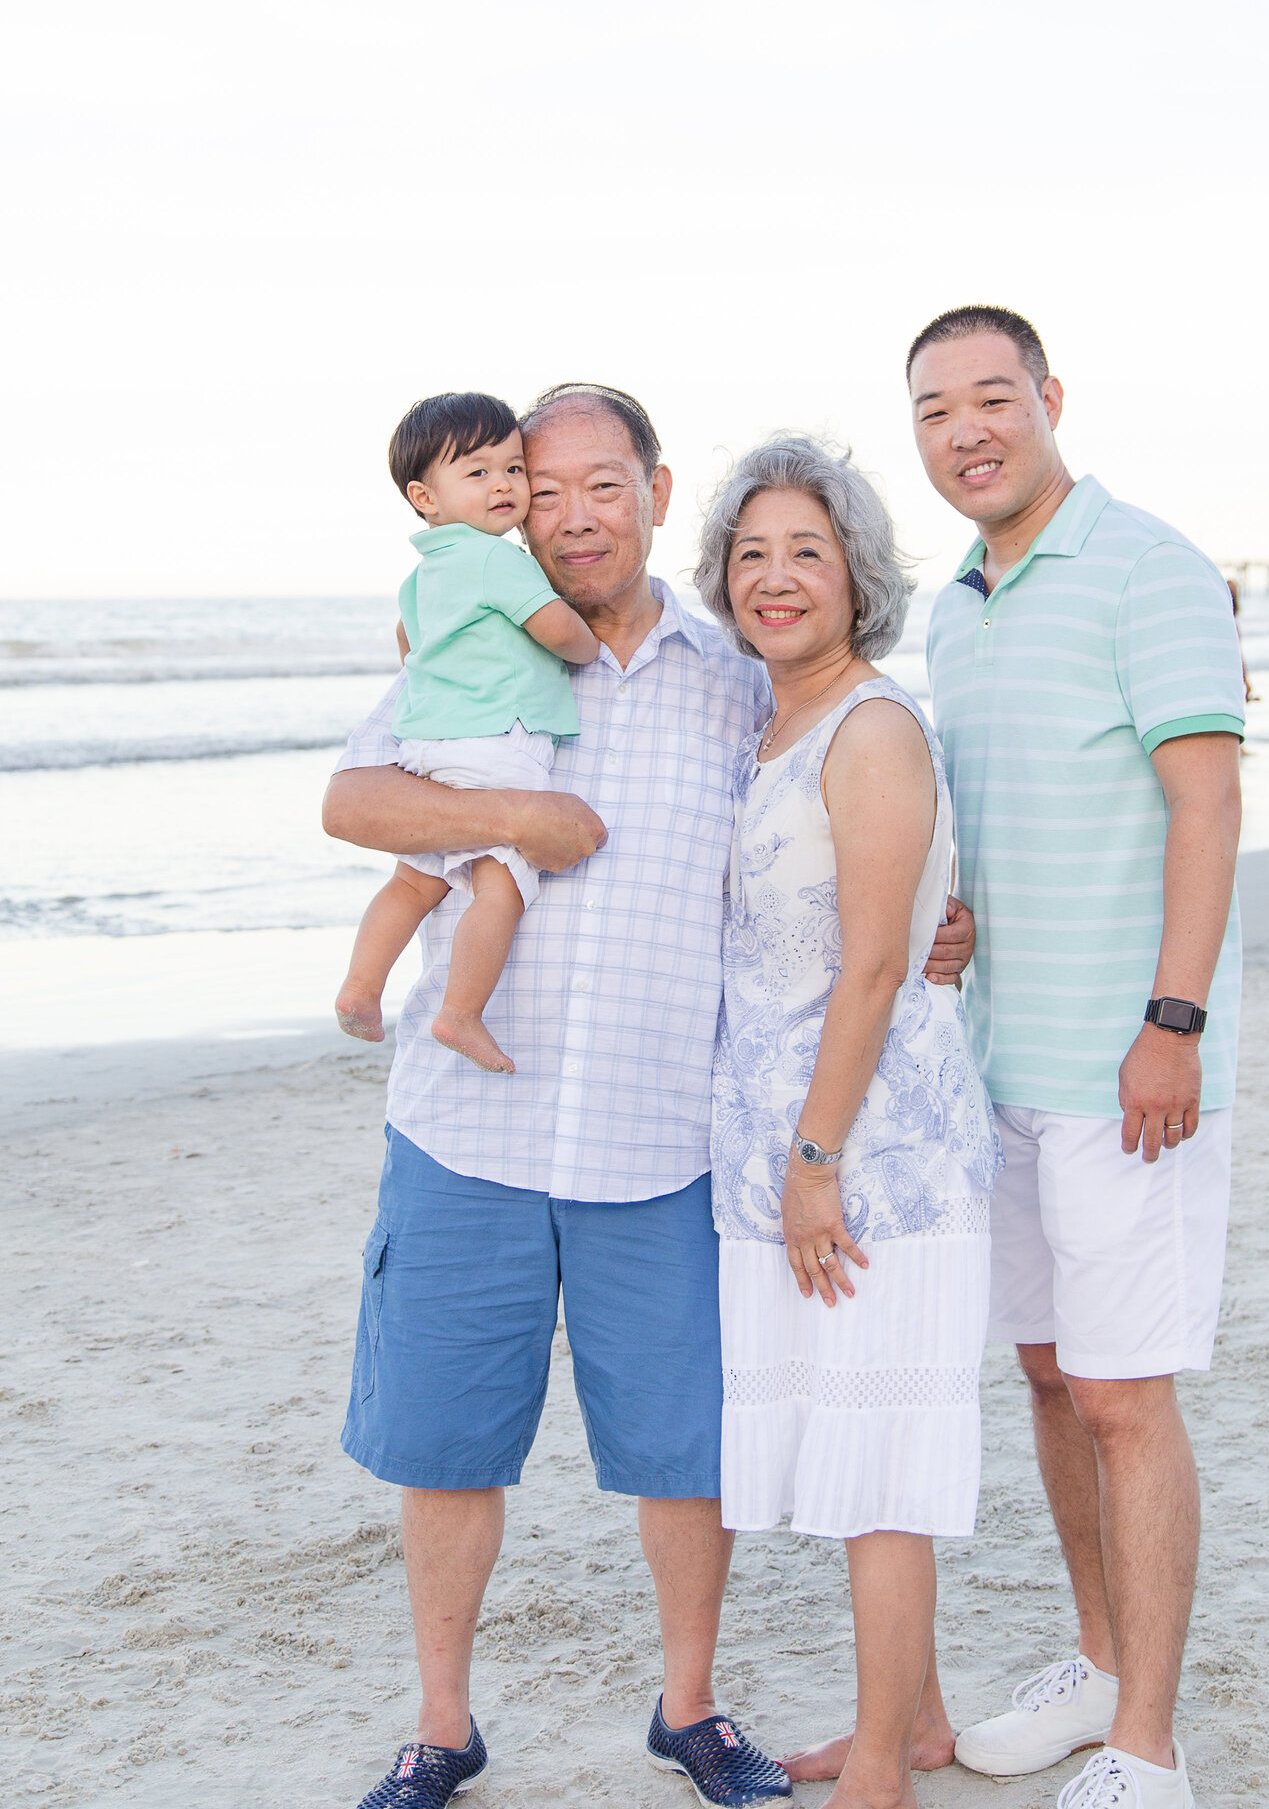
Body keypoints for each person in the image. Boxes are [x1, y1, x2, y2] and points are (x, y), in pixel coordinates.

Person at [322, 383, 977, 1809]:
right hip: (464, 1126)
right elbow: (354, 802)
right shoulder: (472, 639)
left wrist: (943, 914)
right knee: (446, 1440)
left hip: (659, 1139)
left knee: (685, 1453)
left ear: (656, 492)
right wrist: (509, 816)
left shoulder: (737, 676)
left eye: (599, 486)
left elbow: (843, 806)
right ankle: (442, 1726)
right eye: (539, 489)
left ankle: (690, 1708)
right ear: (505, 499)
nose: (568, 516)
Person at [908, 306, 1245, 1809]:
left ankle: (1149, 1748)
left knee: (1126, 1396)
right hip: (1003, 1067)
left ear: (1050, 398)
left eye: (992, 397)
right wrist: (958, 917)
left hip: (1130, 1072)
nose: (966, 429)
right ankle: (1099, 1664)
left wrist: (1172, 1025)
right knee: (1049, 1378)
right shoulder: (952, 607)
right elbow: (1005, 808)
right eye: (934, 410)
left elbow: (1206, 806)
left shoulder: (1147, 567)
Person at [693, 438, 999, 1809]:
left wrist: (814, 1159)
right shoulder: (768, 721)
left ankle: (882, 1767)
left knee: (881, 1468)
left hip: (876, 1158)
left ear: (858, 576)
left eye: (805, 551)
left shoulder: (870, 728)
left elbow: (877, 963)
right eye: (751, 552)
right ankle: (918, 1717)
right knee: (849, 1436)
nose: (774, 577)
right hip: (782, 1151)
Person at [334, 392, 600, 1075]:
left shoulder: (420, 578)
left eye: (514, 469)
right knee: (501, 881)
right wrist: (585, 644)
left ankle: (361, 988)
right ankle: (461, 1012)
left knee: (414, 880)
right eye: (477, 473)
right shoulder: (498, 559)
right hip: (493, 742)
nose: (504, 486)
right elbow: (558, 631)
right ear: (425, 496)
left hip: (429, 745)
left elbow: (409, 648)